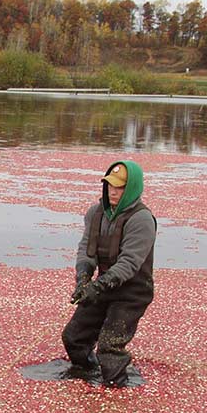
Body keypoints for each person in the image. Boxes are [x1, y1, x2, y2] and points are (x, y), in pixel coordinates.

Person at [62, 160, 157, 387]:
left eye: (120, 187)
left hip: (132, 291)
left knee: (109, 346)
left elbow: (129, 263)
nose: (113, 191)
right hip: (103, 286)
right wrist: (83, 280)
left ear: (132, 188)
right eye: (110, 186)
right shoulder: (96, 213)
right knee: (73, 337)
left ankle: (117, 388)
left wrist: (98, 286)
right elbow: (87, 250)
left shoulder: (142, 220)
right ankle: (87, 376)